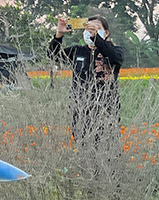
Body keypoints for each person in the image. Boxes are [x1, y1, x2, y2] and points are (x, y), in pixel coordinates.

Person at [47, 14, 124, 147]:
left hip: (106, 110)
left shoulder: (115, 51)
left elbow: (115, 57)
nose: (91, 32)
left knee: (107, 147)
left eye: (95, 28)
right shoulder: (78, 51)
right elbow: (53, 55)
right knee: (82, 146)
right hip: (81, 109)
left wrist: (97, 39)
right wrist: (59, 34)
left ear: (106, 33)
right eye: (88, 29)